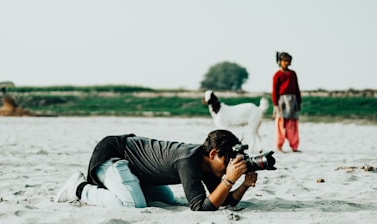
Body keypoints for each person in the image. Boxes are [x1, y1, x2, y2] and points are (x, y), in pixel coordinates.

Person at [55, 129, 259, 211]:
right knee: (133, 205)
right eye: (228, 162)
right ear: (213, 153)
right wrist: (229, 181)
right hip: (113, 155)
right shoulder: (189, 160)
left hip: (137, 171)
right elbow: (200, 207)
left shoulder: (209, 165)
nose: (229, 168)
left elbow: (221, 200)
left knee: (167, 201)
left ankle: (128, 186)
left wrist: (245, 185)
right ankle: (79, 187)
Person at [272, 52, 302, 152]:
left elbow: (297, 88)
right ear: (280, 62)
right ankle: (279, 145)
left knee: (292, 124)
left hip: (293, 101)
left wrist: (299, 101)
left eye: (288, 61)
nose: (286, 63)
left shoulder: (292, 74)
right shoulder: (277, 75)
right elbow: (275, 90)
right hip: (282, 101)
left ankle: (294, 146)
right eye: (284, 61)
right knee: (280, 124)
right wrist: (275, 104)